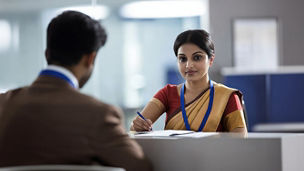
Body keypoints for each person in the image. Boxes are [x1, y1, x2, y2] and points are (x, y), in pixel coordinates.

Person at [0, 11, 153, 171]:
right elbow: (141, 167)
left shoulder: (3, 104)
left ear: (47, 55)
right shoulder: (99, 115)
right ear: (90, 59)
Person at [130, 29, 247, 134]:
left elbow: (240, 142)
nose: (189, 65)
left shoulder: (227, 97)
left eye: (197, 57)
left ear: (211, 60)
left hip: (214, 157)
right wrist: (138, 126)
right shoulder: (167, 94)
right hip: (172, 157)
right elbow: (135, 129)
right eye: (182, 59)